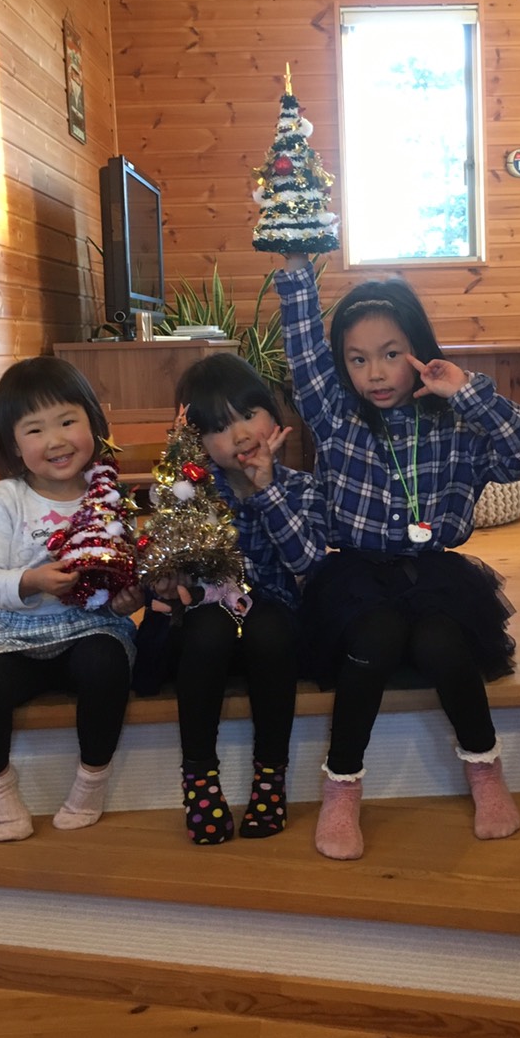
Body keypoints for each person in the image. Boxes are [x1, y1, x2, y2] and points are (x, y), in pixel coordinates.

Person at [275, 253, 520, 860]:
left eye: (391, 353)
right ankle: (342, 785)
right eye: (358, 359)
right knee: (375, 638)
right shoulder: (336, 414)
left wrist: (468, 392)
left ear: (418, 351)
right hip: (356, 573)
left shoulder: (455, 421)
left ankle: (486, 771)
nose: (375, 372)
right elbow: (302, 350)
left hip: (435, 574)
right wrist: (296, 266)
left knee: (442, 644)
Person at [0, 358, 141, 842]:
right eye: (35, 429)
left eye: (67, 422)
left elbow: (118, 585)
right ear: (14, 444)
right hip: (15, 637)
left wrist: (127, 601)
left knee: (107, 665)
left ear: (93, 422)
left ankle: (91, 782)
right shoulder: (2, 500)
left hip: (91, 628)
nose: (55, 441)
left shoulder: (109, 496)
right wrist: (30, 580)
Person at [133, 354, 327, 845]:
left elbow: (307, 563)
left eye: (249, 414)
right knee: (208, 627)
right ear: (197, 443)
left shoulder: (301, 488)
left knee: (269, 626)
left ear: (274, 416)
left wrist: (265, 492)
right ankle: (200, 781)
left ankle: (270, 779)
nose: (239, 435)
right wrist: (164, 580)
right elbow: (162, 565)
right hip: (207, 630)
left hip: (275, 631)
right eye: (219, 428)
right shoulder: (191, 494)